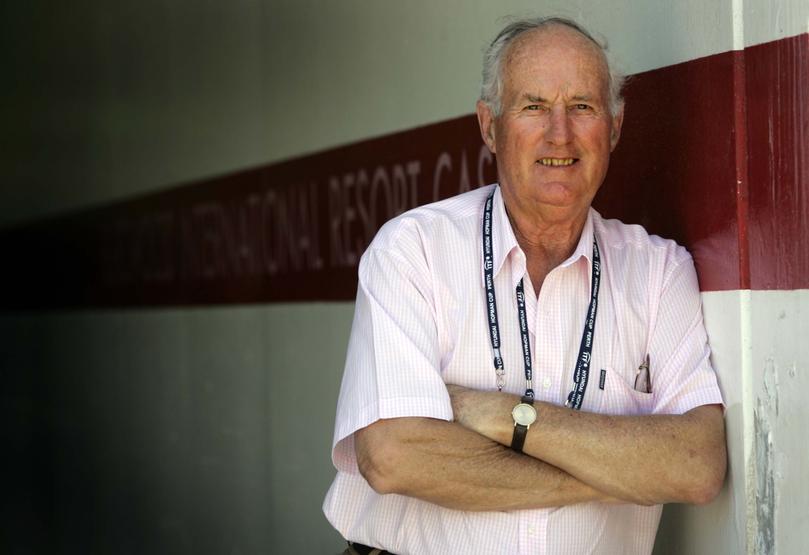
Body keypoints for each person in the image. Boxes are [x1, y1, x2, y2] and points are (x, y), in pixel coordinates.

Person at [323, 16, 726, 555]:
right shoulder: (413, 250)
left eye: (582, 106)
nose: (559, 133)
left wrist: (495, 414)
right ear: (489, 126)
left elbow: (696, 466)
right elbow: (392, 457)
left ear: (615, 126)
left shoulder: (658, 272)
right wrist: (615, 471)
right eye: (533, 106)